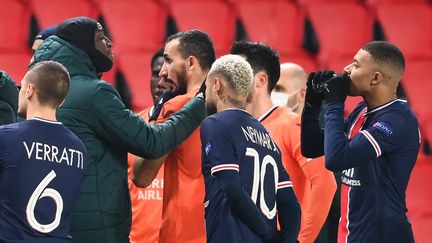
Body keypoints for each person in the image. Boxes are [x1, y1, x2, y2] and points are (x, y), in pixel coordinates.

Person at [32, 17, 206, 243]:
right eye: (99, 37)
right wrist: (200, 101)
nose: (109, 42)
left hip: (50, 223)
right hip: (96, 229)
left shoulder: (38, 92)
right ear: (82, 44)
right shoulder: (94, 94)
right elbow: (152, 143)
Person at [301, 41, 420, 243]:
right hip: (352, 234)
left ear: (376, 78)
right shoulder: (361, 111)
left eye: (355, 65)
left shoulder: (398, 120)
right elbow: (312, 148)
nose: (346, 69)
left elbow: (336, 159)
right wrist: (313, 105)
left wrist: (334, 103)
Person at [232, 41, 336, 243]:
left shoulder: (290, 124)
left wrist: (302, 240)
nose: (231, 78)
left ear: (260, 80)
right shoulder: (236, 126)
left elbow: (325, 182)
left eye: (239, 72)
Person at [200, 54, 301, 242]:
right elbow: (290, 204)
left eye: (206, 88)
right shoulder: (267, 136)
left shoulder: (215, 124)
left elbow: (232, 188)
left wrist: (267, 233)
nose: (205, 96)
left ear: (216, 84)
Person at [133, 29, 215, 243]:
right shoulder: (234, 109)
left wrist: (158, 115)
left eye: (168, 61)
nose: (162, 72)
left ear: (190, 63)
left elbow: (141, 176)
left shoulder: (176, 106)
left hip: (181, 233)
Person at [0, 61, 87, 242]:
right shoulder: (79, 149)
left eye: (21, 86)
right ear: (61, 101)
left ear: (29, 90)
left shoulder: (6, 137)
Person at [273, 62, 341, 243]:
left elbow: (329, 189)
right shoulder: (279, 124)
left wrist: (303, 239)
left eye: (279, 88)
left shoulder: (325, 130)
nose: (273, 94)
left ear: (302, 94)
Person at [127, 48, 171, 243]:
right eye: (155, 74)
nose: (160, 83)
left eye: (167, 76)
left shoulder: (197, 127)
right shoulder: (130, 125)